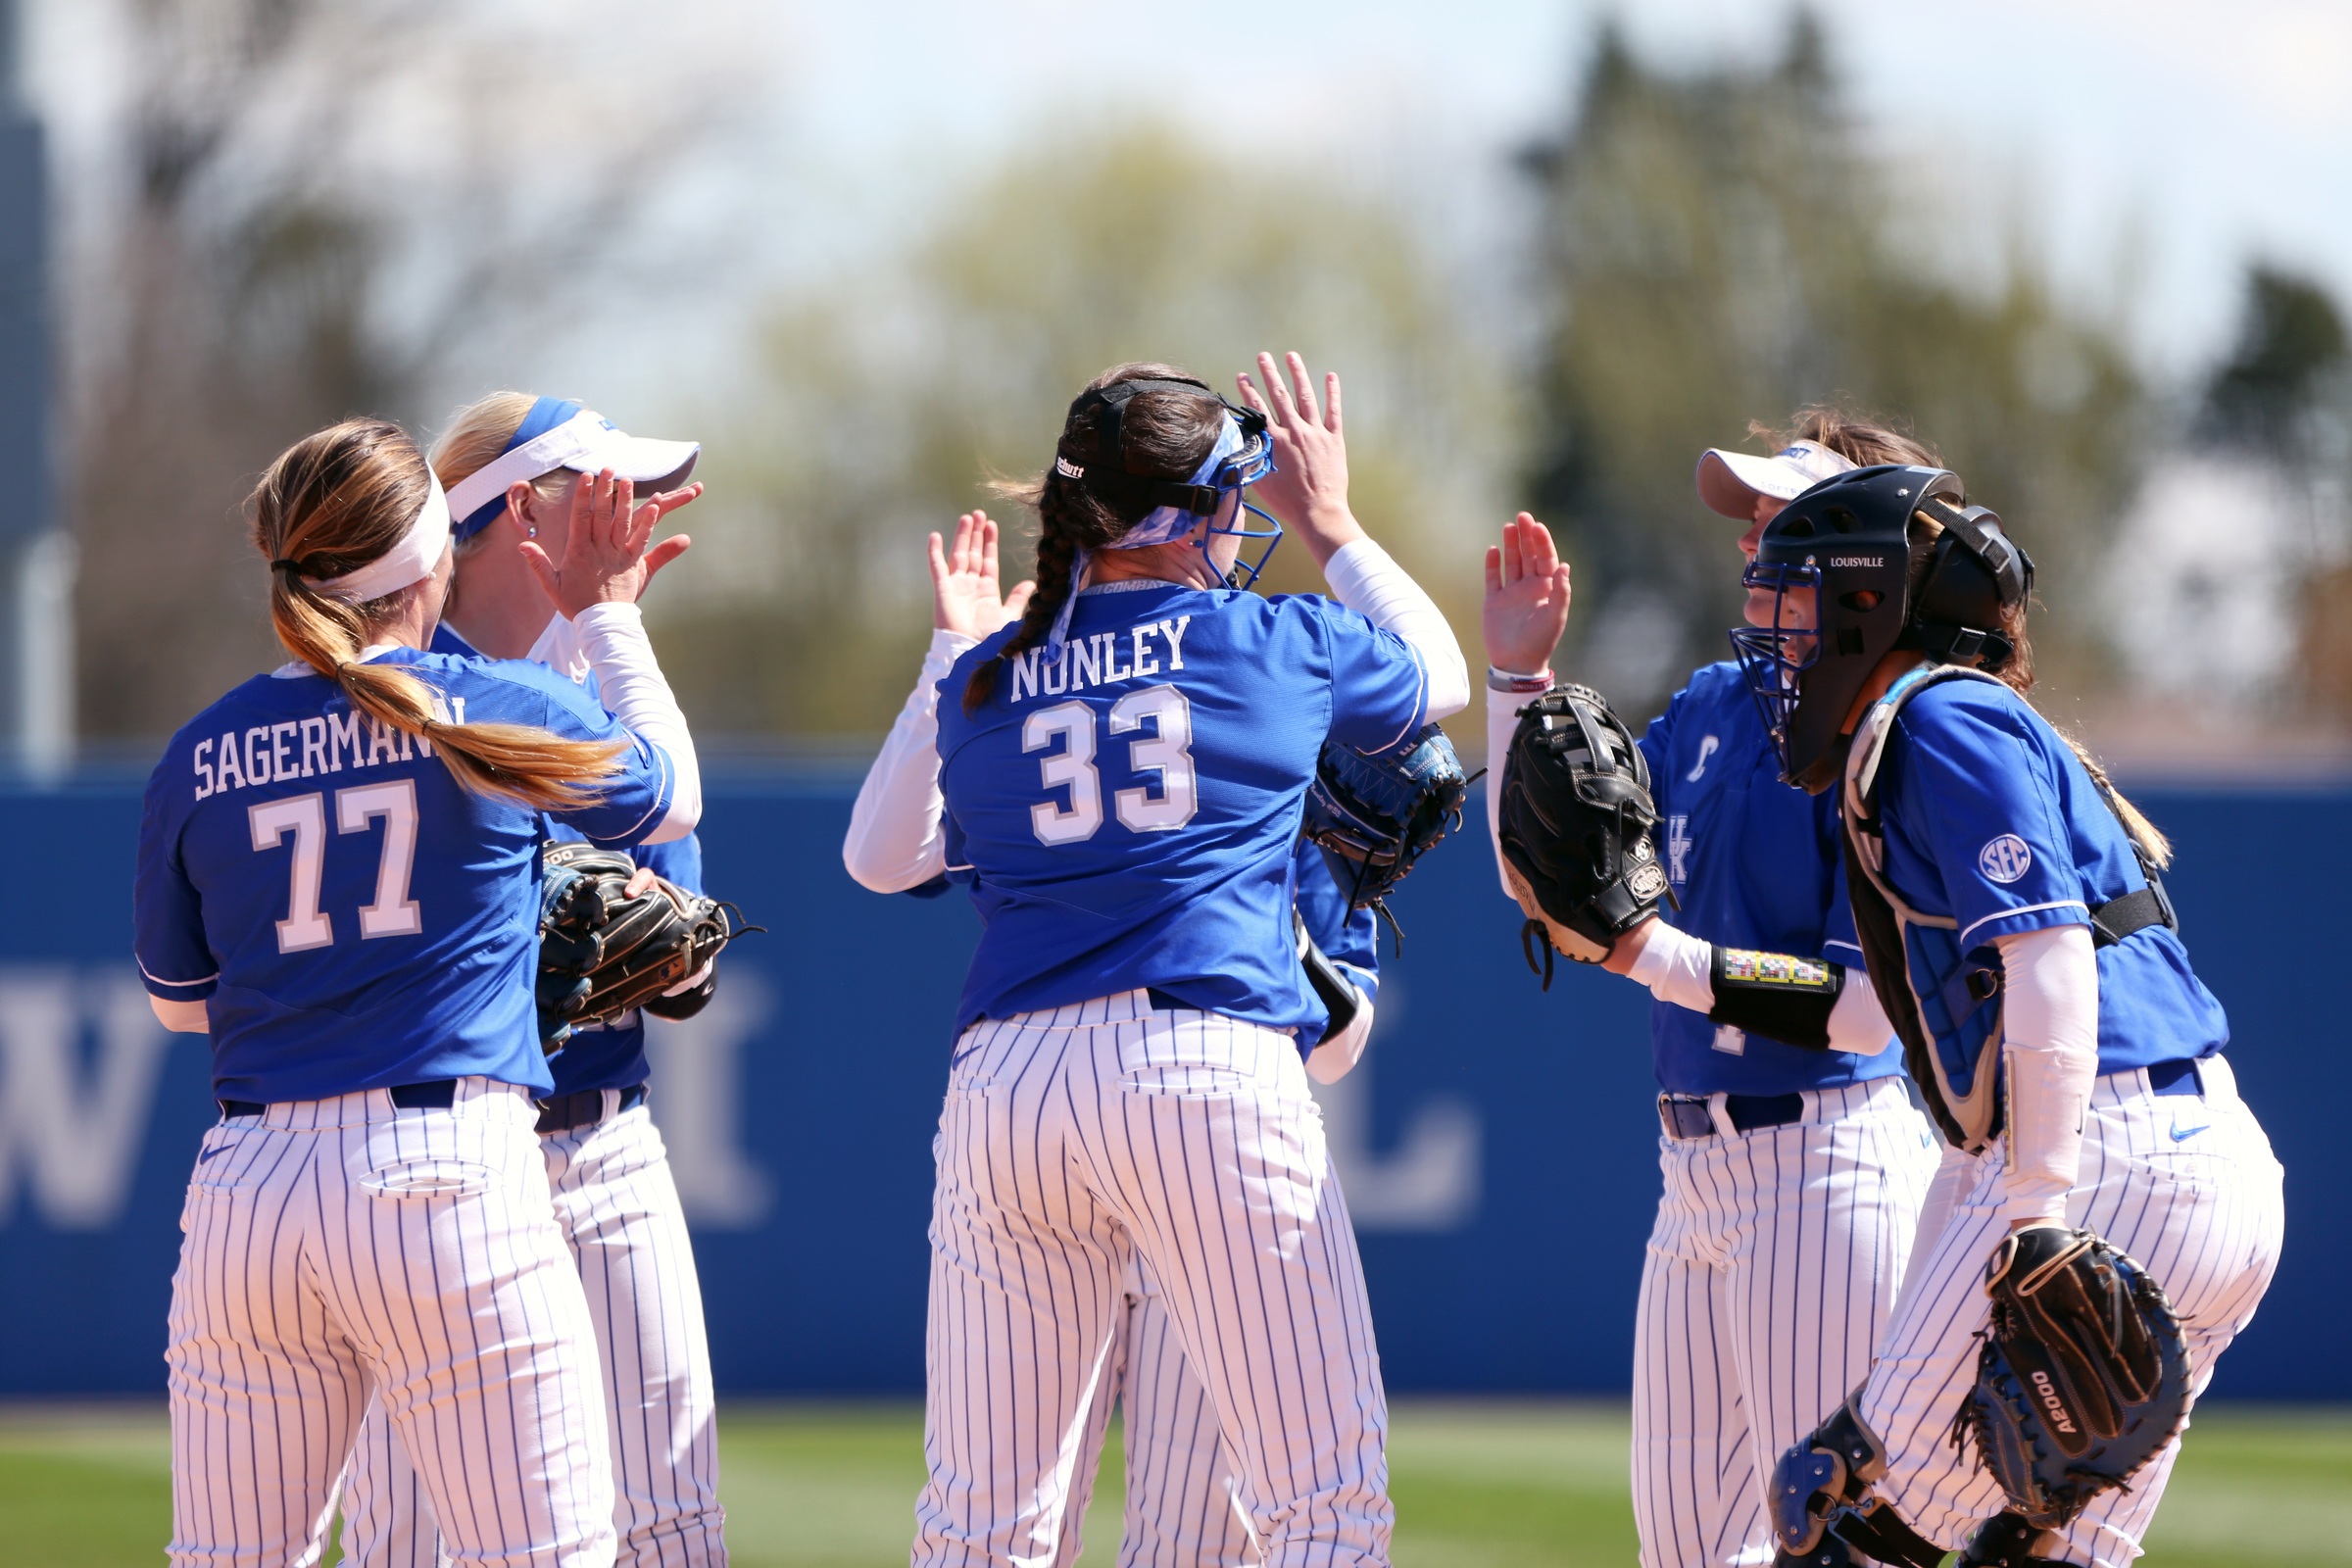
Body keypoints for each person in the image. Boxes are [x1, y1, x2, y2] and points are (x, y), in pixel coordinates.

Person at [858, 354, 1465, 1565]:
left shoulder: (986, 677)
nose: (1246, 521)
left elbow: (881, 858)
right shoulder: (1268, 639)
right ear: (1187, 514)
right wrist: (1331, 519)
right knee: (1321, 1506)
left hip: (1008, 1085)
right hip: (1202, 1065)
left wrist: (946, 652)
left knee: (983, 1528)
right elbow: (1440, 676)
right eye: (1233, 499)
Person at [134, 417, 702, 1568]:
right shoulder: (481, 704)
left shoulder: (198, 754)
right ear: (434, 559)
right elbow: (670, 798)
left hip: (249, 1199)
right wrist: (611, 610)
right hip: (441, 1178)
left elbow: (182, 1004)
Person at [1742, 462, 2284, 1567]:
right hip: (2192, 1167)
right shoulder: (1953, 720)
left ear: (1868, 602)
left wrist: (2036, 1212)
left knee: (1850, 1526)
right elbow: (1973, 1123)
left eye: (1801, 608)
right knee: (2034, 1551)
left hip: (2100, 1159)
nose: (1785, 642)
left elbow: (2049, 954)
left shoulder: (1936, 717)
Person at [1480, 414, 1941, 1567]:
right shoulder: (1707, 709)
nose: (1752, 548)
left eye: (1782, 527)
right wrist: (1516, 679)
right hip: (1692, 1173)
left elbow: (1859, 1010)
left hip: (1827, 1165)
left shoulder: (1891, 725)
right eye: (1750, 528)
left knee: (1843, 1551)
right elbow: (1537, 876)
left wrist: (1652, 955)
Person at [332, 393, 729, 1568]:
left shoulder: (607, 674)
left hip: (598, 1138)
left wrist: (613, 634)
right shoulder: (386, 679)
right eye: (602, 490)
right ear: (520, 513)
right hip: (424, 1166)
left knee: (668, 1531)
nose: (635, 514)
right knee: (405, 1543)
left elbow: (680, 955)